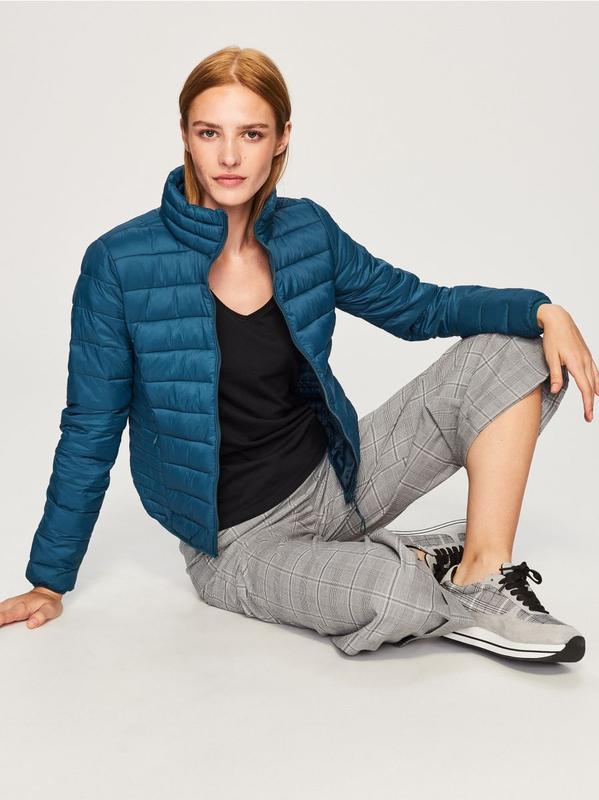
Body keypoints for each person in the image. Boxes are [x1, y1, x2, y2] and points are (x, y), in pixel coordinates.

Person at [2, 46, 597, 664]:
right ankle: (413, 560)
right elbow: (90, 427)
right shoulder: (120, 263)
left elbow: (420, 307)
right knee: (397, 598)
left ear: (282, 138)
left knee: (518, 350)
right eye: (209, 132)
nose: (229, 157)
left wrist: (541, 310)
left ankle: (482, 572)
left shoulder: (307, 231)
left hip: (338, 481)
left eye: (251, 134)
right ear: (184, 135)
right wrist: (49, 580)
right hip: (238, 544)